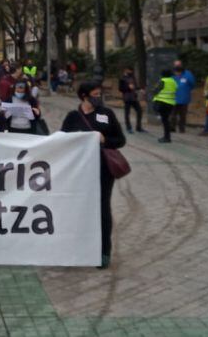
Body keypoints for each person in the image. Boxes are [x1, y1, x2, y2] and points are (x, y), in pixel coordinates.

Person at [60, 80, 126, 269]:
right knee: (79, 208)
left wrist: (105, 139)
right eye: (95, 95)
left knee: (102, 208)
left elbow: (120, 140)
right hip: (79, 170)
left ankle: (104, 251)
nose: (98, 98)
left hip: (103, 169)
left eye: (100, 95)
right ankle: (80, 248)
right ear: (84, 96)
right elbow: (62, 140)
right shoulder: (73, 117)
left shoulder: (106, 114)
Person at [152, 69, 178, 143]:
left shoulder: (163, 81)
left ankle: (167, 137)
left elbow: (155, 90)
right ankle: (167, 136)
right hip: (170, 103)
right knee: (166, 120)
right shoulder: (173, 81)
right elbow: (176, 89)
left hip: (162, 102)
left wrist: (153, 91)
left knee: (164, 120)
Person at [171, 61, 196, 134]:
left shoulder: (188, 74)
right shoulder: (172, 74)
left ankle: (181, 128)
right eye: (176, 65)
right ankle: (173, 127)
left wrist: (186, 90)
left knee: (182, 115)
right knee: (173, 114)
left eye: (178, 65)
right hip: (174, 98)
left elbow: (192, 84)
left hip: (184, 98)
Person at [118, 67, 144, 134]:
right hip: (127, 98)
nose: (131, 71)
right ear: (126, 70)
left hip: (134, 98)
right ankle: (128, 127)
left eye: (131, 70)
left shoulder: (133, 77)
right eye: (129, 70)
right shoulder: (122, 79)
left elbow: (135, 86)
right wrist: (128, 87)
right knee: (127, 113)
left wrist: (140, 89)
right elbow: (120, 89)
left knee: (140, 111)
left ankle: (138, 127)